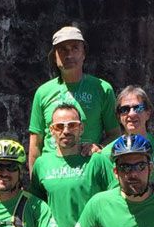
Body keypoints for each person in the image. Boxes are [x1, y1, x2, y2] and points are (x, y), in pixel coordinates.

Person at [27, 25, 121, 171]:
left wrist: (99, 147)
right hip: (52, 171)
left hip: (88, 169)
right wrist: (35, 184)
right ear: (54, 56)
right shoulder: (43, 92)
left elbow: (115, 134)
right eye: (62, 49)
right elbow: (35, 143)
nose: (69, 54)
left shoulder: (102, 89)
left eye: (75, 48)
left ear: (84, 53)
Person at [84, 85, 154, 196]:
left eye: (138, 108)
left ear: (148, 113)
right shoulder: (107, 154)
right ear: (119, 117)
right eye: (125, 109)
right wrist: (150, 187)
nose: (131, 113)